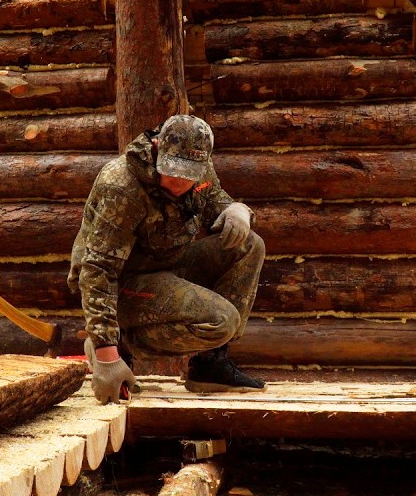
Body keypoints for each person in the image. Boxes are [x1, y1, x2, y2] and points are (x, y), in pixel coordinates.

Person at [68, 114, 267, 403]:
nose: (178, 181)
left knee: (249, 245)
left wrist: (238, 210)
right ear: (158, 146)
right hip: (124, 284)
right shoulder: (121, 185)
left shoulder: (199, 168)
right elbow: (97, 270)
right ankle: (123, 344)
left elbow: (215, 201)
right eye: (171, 170)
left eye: (188, 175)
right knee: (222, 321)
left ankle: (210, 365)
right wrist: (106, 353)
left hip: (168, 267)